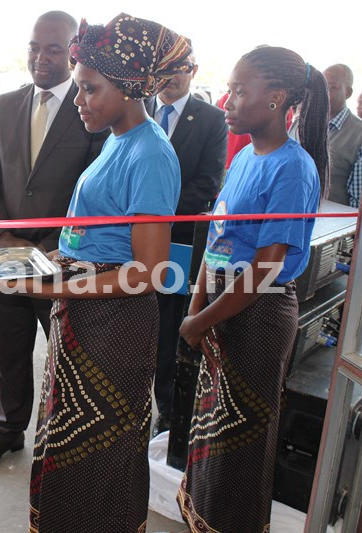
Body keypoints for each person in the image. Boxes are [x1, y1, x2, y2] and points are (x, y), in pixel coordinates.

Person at [0, 12, 189, 531]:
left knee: (99, 458)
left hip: (113, 330)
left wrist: (34, 283)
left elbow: (148, 273)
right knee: (71, 450)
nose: (79, 100)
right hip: (85, 318)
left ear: (130, 86)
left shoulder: (151, 154)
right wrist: (33, 270)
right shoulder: (119, 137)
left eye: (90, 89)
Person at [178, 46, 328, 532]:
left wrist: (201, 320)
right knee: (210, 439)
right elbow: (218, 239)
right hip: (222, 309)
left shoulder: (293, 167)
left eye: (240, 91)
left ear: (276, 98)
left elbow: (266, 267)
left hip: (256, 316)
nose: (227, 100)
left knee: (239, 450)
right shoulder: (244, 156)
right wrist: (197, 305)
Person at [0, 10, 107, 468]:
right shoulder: (6, 104)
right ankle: (7, 433)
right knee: (10, 351)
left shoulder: (92, 109)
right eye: (33, 47)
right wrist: (4, 237)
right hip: (7, 257)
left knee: (65, 357)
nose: (40, 57)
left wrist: (52, 245)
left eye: (52, 48)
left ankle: (63, 441)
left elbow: (94, 190)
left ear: (72, 52)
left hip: (60, 260)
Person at [144, 51, 228, 436]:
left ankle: (166, 408)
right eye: (164, 68)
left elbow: (208, 183)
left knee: (167, 324)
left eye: (180, 68)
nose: (170, 77)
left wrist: (152, 210)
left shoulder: (211, 119)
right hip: (131, 240)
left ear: (193, 71)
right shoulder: (137, 107)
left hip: (177, 242)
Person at [290, 63, 362, 207]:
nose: (324, 91)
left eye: (332, 87)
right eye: (322, 85)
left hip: (331, 223)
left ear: (348, 92)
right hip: (292, 214)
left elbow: (357, 200)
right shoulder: (300, 123)